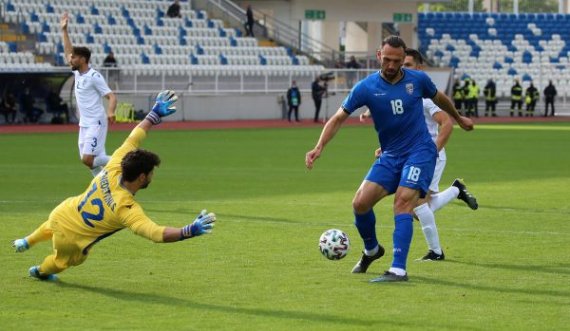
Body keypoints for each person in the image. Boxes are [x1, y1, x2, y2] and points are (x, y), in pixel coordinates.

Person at [305, 36, 473, 282]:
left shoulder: (418, 80)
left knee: (403, 203)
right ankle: (372, 249)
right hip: (390, 155)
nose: (392, 65)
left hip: (420, 151)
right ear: (378, 56)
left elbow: (440, 98)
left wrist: (459, 118)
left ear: (404, 59)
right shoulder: (366, 87)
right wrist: (319, 146)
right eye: (387, 60)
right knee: (360, 204)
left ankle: (398, 268)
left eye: (397, 61)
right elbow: (339, 118)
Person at [12, 90, 217, 281]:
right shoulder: (125, 208)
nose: (153, 176)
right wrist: (189, 230)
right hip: (73, 241)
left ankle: (27, 241)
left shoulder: (116, 165)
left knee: (51, 223)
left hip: (63, 211)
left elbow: (133, 138)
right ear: (142, 177)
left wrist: (153, 115)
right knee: (60, 262)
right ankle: (40, 272)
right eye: (151, 173)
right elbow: (155, 233)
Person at [360, 48, 479, 261]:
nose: (401, 68)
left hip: (428, 155)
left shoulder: (424, 97)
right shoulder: (402, 94)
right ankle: (455, 191)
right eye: (401, 64)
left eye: (407, 65)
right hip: (411, 154)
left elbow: (446, 123)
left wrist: (433, 151)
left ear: (419, 68)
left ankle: (436, 251)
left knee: (416, 205)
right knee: (418, 206)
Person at [62, 12, 117, 176]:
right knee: (92, 161)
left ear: (83, 59)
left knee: (87, 159)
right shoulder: (78, 73)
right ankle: (103, 188)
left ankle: (123, 161)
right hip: (84, 123)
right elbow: (67, 51)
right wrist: (64, 30)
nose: (71, 60)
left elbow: (111, 96)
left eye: (74, 58)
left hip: (96, 122)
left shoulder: (94, 76)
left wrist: (111, 112)